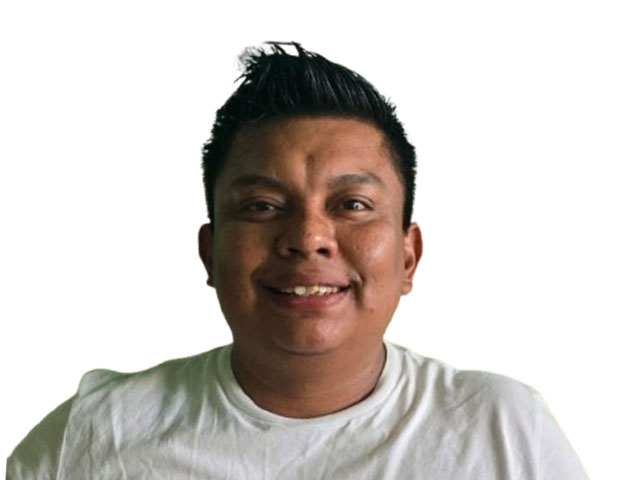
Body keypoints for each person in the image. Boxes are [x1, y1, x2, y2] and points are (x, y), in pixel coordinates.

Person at [7, 42, 589, 479]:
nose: (308, 237)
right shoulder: (91, 439)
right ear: (210, 252)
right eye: (262, 206)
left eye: (352, 205)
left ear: (408, 257)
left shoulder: (505, 433)